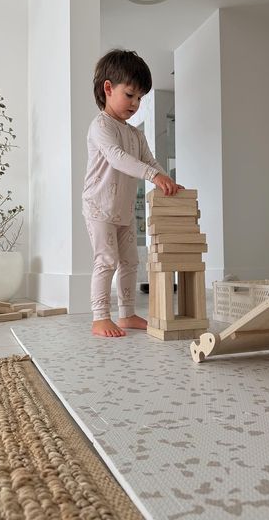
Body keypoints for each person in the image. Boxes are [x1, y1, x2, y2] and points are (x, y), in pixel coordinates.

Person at [82, 49, 183, 337]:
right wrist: (153, 175)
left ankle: (126, 314)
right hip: (99, 207)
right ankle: (100, 316)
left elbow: (149, 160)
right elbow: (115, 157)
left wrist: (165, 178)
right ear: (108, 88)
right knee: (106, 260)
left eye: (140, 98)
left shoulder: (136, 133)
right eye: (130, 95)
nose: (136, 103)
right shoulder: (101, 125)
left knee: (130, 262)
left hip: (124, 209)